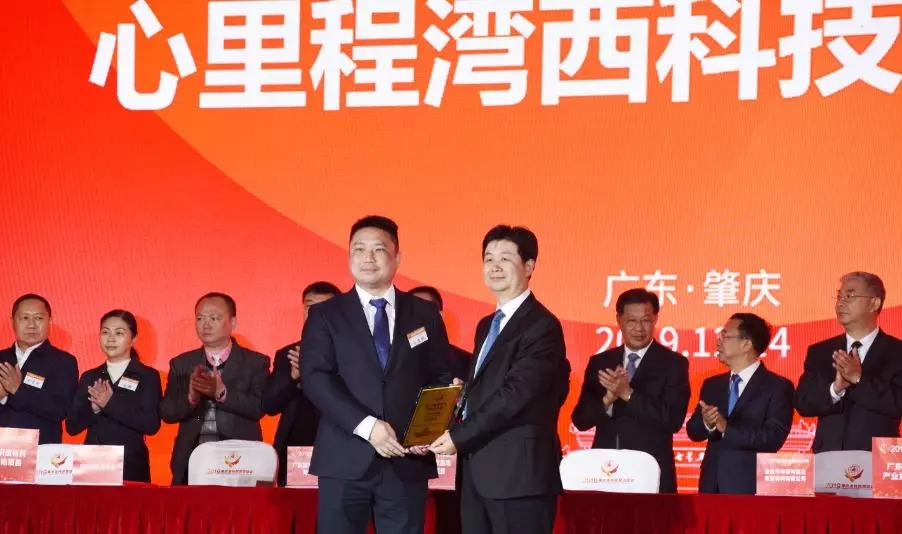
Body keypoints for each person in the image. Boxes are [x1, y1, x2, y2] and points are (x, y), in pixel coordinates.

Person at [300, 215, 453, 534]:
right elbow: (315, 378)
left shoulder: (424, 313)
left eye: (378, 249)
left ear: (398, 257)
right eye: (359, 249)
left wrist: (424, 432)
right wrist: (368, 427)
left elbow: (440, 375)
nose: (368, 257)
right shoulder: (325, 314)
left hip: (407, 459)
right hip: (344, 458)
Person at [429, 225, 570, 534]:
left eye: (505, 258)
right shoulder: (486, 325)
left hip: (519, 475)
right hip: (476, 472)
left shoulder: (542, 326)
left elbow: (516, 394)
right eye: (488, 258)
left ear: (529, 266)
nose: (494, 266)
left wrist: (459, 436)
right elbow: (486, 390)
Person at [571, 288, 690, 493]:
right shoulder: (601, 362)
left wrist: (628, 395)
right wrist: (608, 399)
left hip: (651, 473)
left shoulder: (673, 363)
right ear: (619, 320)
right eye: (632, 321)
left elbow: (672, 420)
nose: (639, 328)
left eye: (645, 321)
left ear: (655, 319)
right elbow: (580, 420)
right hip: (605, 474)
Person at [160, 292, 270, 485]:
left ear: (233, 322)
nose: (206, 325)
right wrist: (191, 397)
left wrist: (222, 393)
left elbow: (259, 407)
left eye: (214, 318)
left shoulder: (256, 362)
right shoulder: (181, 363)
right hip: (193, 460)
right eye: (200, 318)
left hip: (241, 461)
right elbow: (167, 413)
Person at [686, 313, 794, 494]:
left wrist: (726, 429)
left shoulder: (777, 387)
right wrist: (707, 423)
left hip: (751, 486)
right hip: (712, 485)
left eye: (725, 336)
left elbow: (773, 438)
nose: (718, 342)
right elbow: (693, 431)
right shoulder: (712, 384)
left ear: (746, 344)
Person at [795, 272, 902, 451]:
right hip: (828, 456)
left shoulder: (897, 352)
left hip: (879, 457)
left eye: (850, 296)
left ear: (874, 303)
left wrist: (859, 379)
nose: (840, 303)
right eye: (839, 297)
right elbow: (803, 403)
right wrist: (835, 389)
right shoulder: (820, 352)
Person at [66, 310, 162, 482]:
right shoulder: (90, 376)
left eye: (119, 333)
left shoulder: (147, 376)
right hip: (93, 463)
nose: (110, 339)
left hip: (130, 464)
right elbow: (72, 427)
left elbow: (151, 424)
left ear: (133, 339)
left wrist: (110, 404)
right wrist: (94, 409)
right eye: (105, 332)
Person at [263, 281, 341, 486]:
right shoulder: (288, 354)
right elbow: (269, 405)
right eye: (309, 307)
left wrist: (318, 373)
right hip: (295, 449)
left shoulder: (353, 352)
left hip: (338, 446)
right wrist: (293, 377)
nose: (314, 314)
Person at [0, 294, 78, 444]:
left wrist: (17, 390)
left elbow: (60, 410)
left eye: (39, 318)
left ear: (50, 321)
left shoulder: (63, 361)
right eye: (24, 318)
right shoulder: (1, 358)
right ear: (12, 321)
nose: (32, 325)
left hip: (41, 450)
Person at [410, 285, 472, 380]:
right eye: (412, 311)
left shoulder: (468, 362)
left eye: (424, 310)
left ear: (440, 316)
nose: (417, 318)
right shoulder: (392, 361)